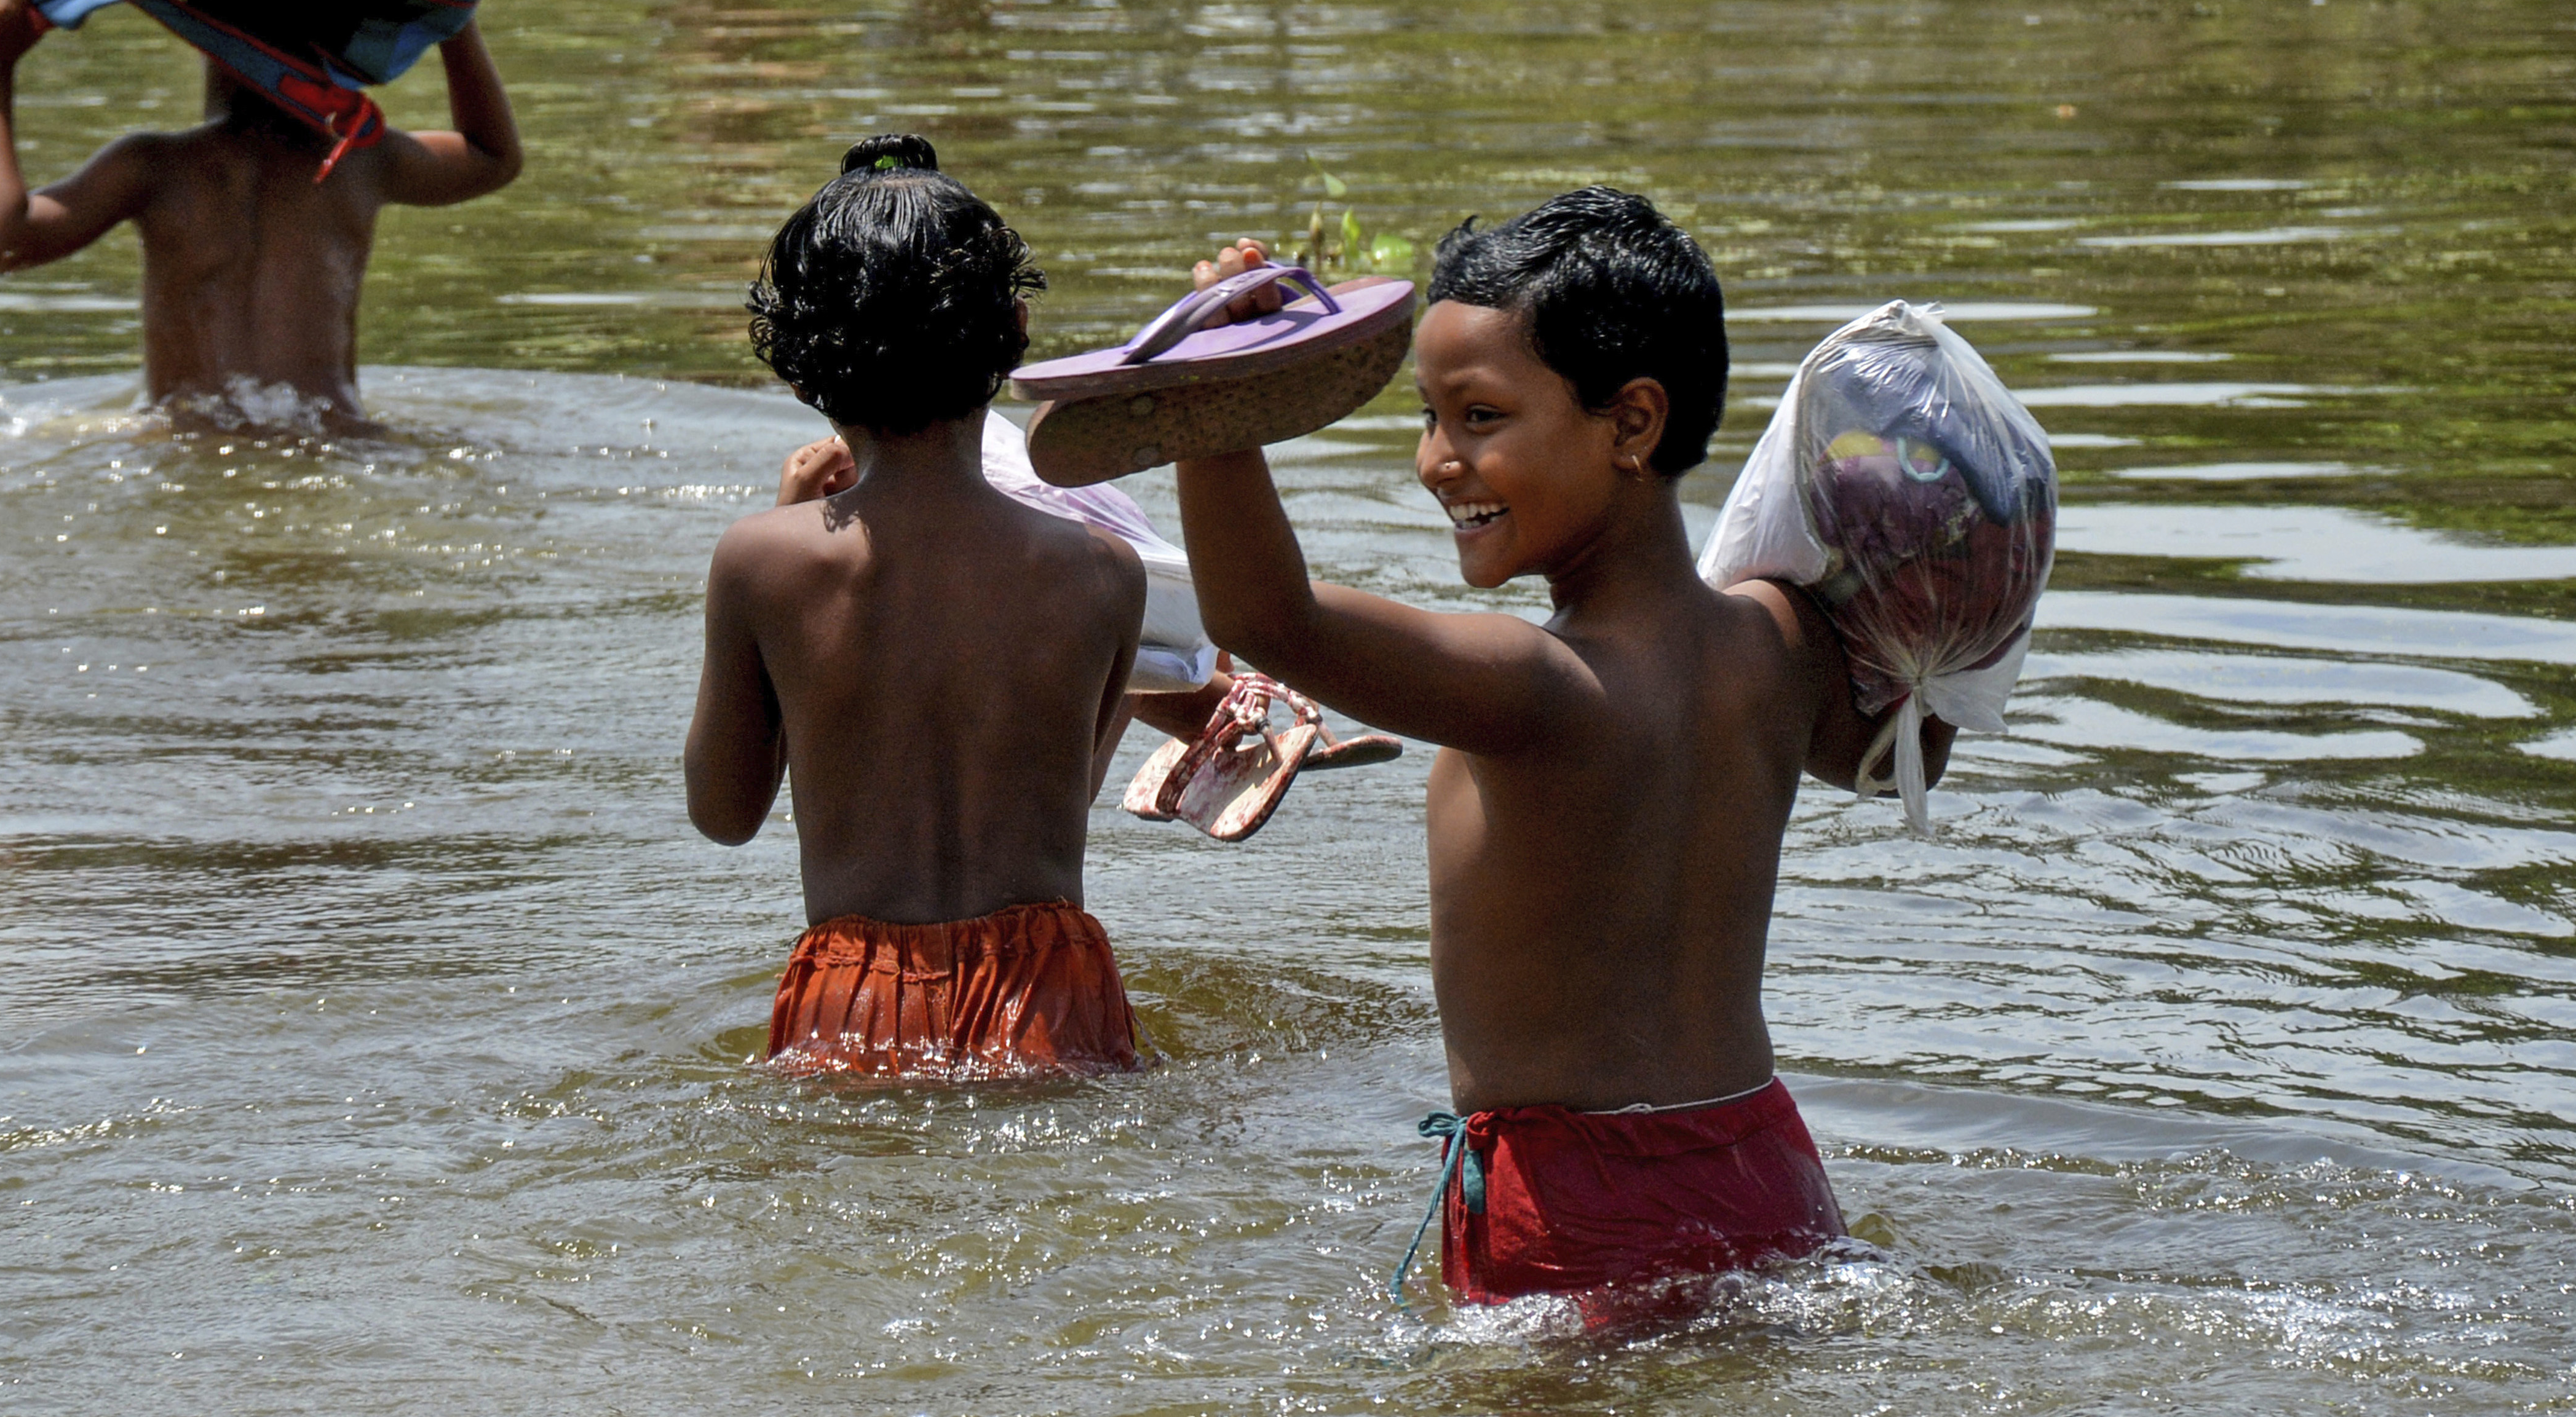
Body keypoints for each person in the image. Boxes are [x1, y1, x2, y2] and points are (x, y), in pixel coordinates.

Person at [1169, 191, 1955, 1322]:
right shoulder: (1783, 642)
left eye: (1479, 416)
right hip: (1768, 1172)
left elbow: (1270, 617)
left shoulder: (1534, 686)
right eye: (1430, 416)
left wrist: (1213, 387)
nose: (1438, 461)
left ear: (1633, 424)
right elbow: (1907, 747)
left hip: (1574, 1208)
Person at [684, 135, 1150, 1078]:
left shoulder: (759, 561)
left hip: (850, 998)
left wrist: (790, 530)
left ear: (798, 368)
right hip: (1053, 998)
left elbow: (725, 813)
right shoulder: (1105, 572)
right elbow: (1069, 789)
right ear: (1015, 333)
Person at [0, 0, 522, 428]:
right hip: (338, 443)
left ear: (196, 32)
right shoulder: (359, 162)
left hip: (192, 449)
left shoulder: (155, 168)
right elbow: (493, 157)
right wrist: (453, 14)